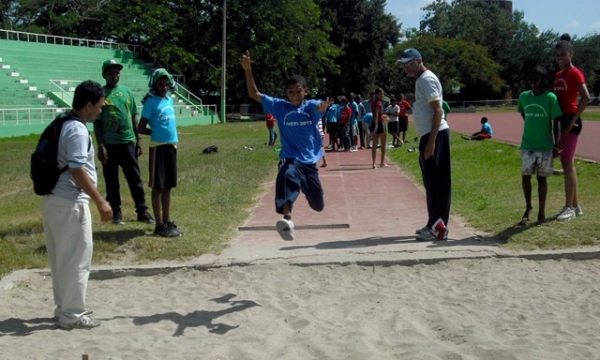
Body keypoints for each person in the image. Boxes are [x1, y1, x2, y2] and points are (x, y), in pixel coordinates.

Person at [42, 80, 112, 330]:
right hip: (71, 202)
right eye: (99, 106)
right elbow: (77, 169)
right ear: (89, 105)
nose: (101, 111)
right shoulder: (78, 130)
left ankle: (63, 308)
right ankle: (72, 314)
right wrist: (100, 200)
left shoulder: (62, 121)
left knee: (60, 258)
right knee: (77, 260)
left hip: (53, 200)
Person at [241, 50, 332, 241]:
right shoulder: (280, 106)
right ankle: (287, 219)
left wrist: (323, 106)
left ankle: (305, 189)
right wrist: (248, 70)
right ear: (286, 93)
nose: (294, 95)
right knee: (286, 174)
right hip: (290, 157)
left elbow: (319, 107)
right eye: (290, 92)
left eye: (298, 91)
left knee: (318, 205)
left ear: (305, 91)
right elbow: (253, 93)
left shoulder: (309, 107)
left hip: (309, 163)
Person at [398, 48, 451, 241]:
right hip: (427, 135)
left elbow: (438, 111)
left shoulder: (427, 79)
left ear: (419, 61)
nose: (406, 68)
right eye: (404, 64)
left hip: (435, 135)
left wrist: (431, 143)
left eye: (410, 63)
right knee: (431, 182)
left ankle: (438, 227)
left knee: (438, 183)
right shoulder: (421, 80)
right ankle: (433, 223)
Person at [94, 59, 154, 225]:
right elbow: (97, 122)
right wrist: (101, 146)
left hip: (128, 143)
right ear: (104, 75)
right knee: (112, 181)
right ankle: (116, 213)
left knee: (135, 179)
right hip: (110, 146)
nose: (114, 76)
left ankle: (142, 211)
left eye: (117, 73)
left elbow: (134, 115)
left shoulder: (127, 92)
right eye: (110, 73)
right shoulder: (101, 94)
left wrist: (138, 139)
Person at [137, 68, 183, 237]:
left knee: (168, 186)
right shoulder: (151, 102)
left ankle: (167, 220)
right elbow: (140, 127)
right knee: (158, 186)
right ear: (154, 85)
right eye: (160, 84)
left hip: (172, 146)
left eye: (166, 84)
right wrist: (155, 132)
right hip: (158, 147)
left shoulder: (169, 101)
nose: (163, 87)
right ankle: (159, 225)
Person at [517, 66, 563, 225]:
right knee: (526, 177)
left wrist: (557, 143)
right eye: (531, 78)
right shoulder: (524, 97)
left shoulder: (550, 98)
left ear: (543, 80)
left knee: (542, 179)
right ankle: (528, 207)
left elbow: (556, 121)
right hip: (528, 144)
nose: (533, 82)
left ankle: (541, 212)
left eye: (536, 79)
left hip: (545, 146)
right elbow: (523, 112)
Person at [553, 33, 591, 221]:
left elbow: (586, 98)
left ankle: (569, 207)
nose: (561, 59)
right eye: (558, 56)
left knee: (568, 163)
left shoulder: (575, 73)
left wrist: (573, 120)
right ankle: (575, 206)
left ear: (571, 53)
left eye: (563, 55)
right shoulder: (558, 75)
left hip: (571, 121)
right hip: (561, 121)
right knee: (566, 163)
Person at [370, 88, 388, 168]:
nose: (382, 95)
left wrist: (383, 116)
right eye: (381, 94)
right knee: (383, 144)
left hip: (374, 123)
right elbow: (376, 114)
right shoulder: (378, 103)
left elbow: (376, 114)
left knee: (374, 144)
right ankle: (382, 162)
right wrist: (377, 125)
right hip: (379, 123)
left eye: (383, 94)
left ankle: (374, 163)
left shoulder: (374, 102)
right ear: (377, 94)